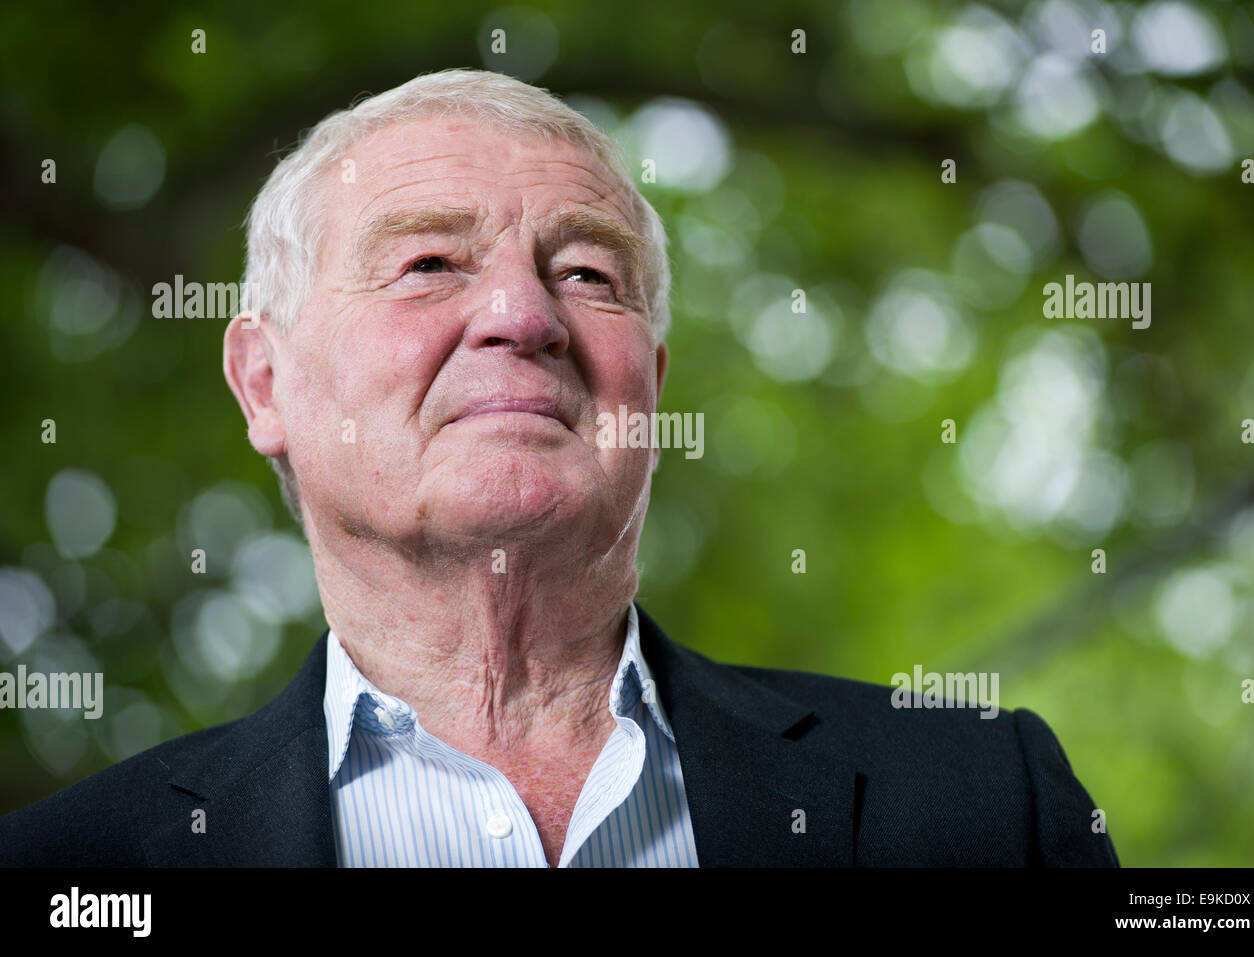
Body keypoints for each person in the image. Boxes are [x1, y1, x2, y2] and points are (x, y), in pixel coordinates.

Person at [0, 68, 1118, 867]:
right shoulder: (73, 867)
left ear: (653, 381)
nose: (522, 316)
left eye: (587, 273)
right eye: (429, 261)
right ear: (263, 383)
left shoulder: (981, 801)